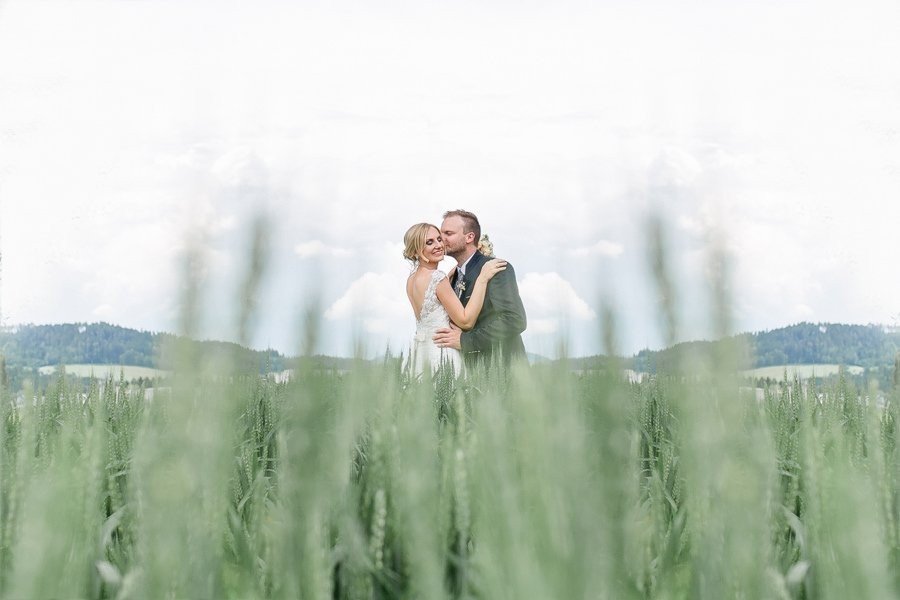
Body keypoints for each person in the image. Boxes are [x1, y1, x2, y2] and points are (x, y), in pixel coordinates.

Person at [403, 223, 507, 377]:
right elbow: (466, 321)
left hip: (421, 353)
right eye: (429, 242)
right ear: (416, 250)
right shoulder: (437, 278)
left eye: (439, 239)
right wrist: (482, 279)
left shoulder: (412, 279)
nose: (439, 245)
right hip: (442, 353)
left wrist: (456, 271)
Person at [433, 210, 527, 367]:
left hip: (502, 370)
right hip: (469, 373)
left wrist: (465, 341)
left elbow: (514, 320)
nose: (441, 239)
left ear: (469, 237)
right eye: (441, 233)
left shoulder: (497, 269)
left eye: (448, 233)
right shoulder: (451, 277)